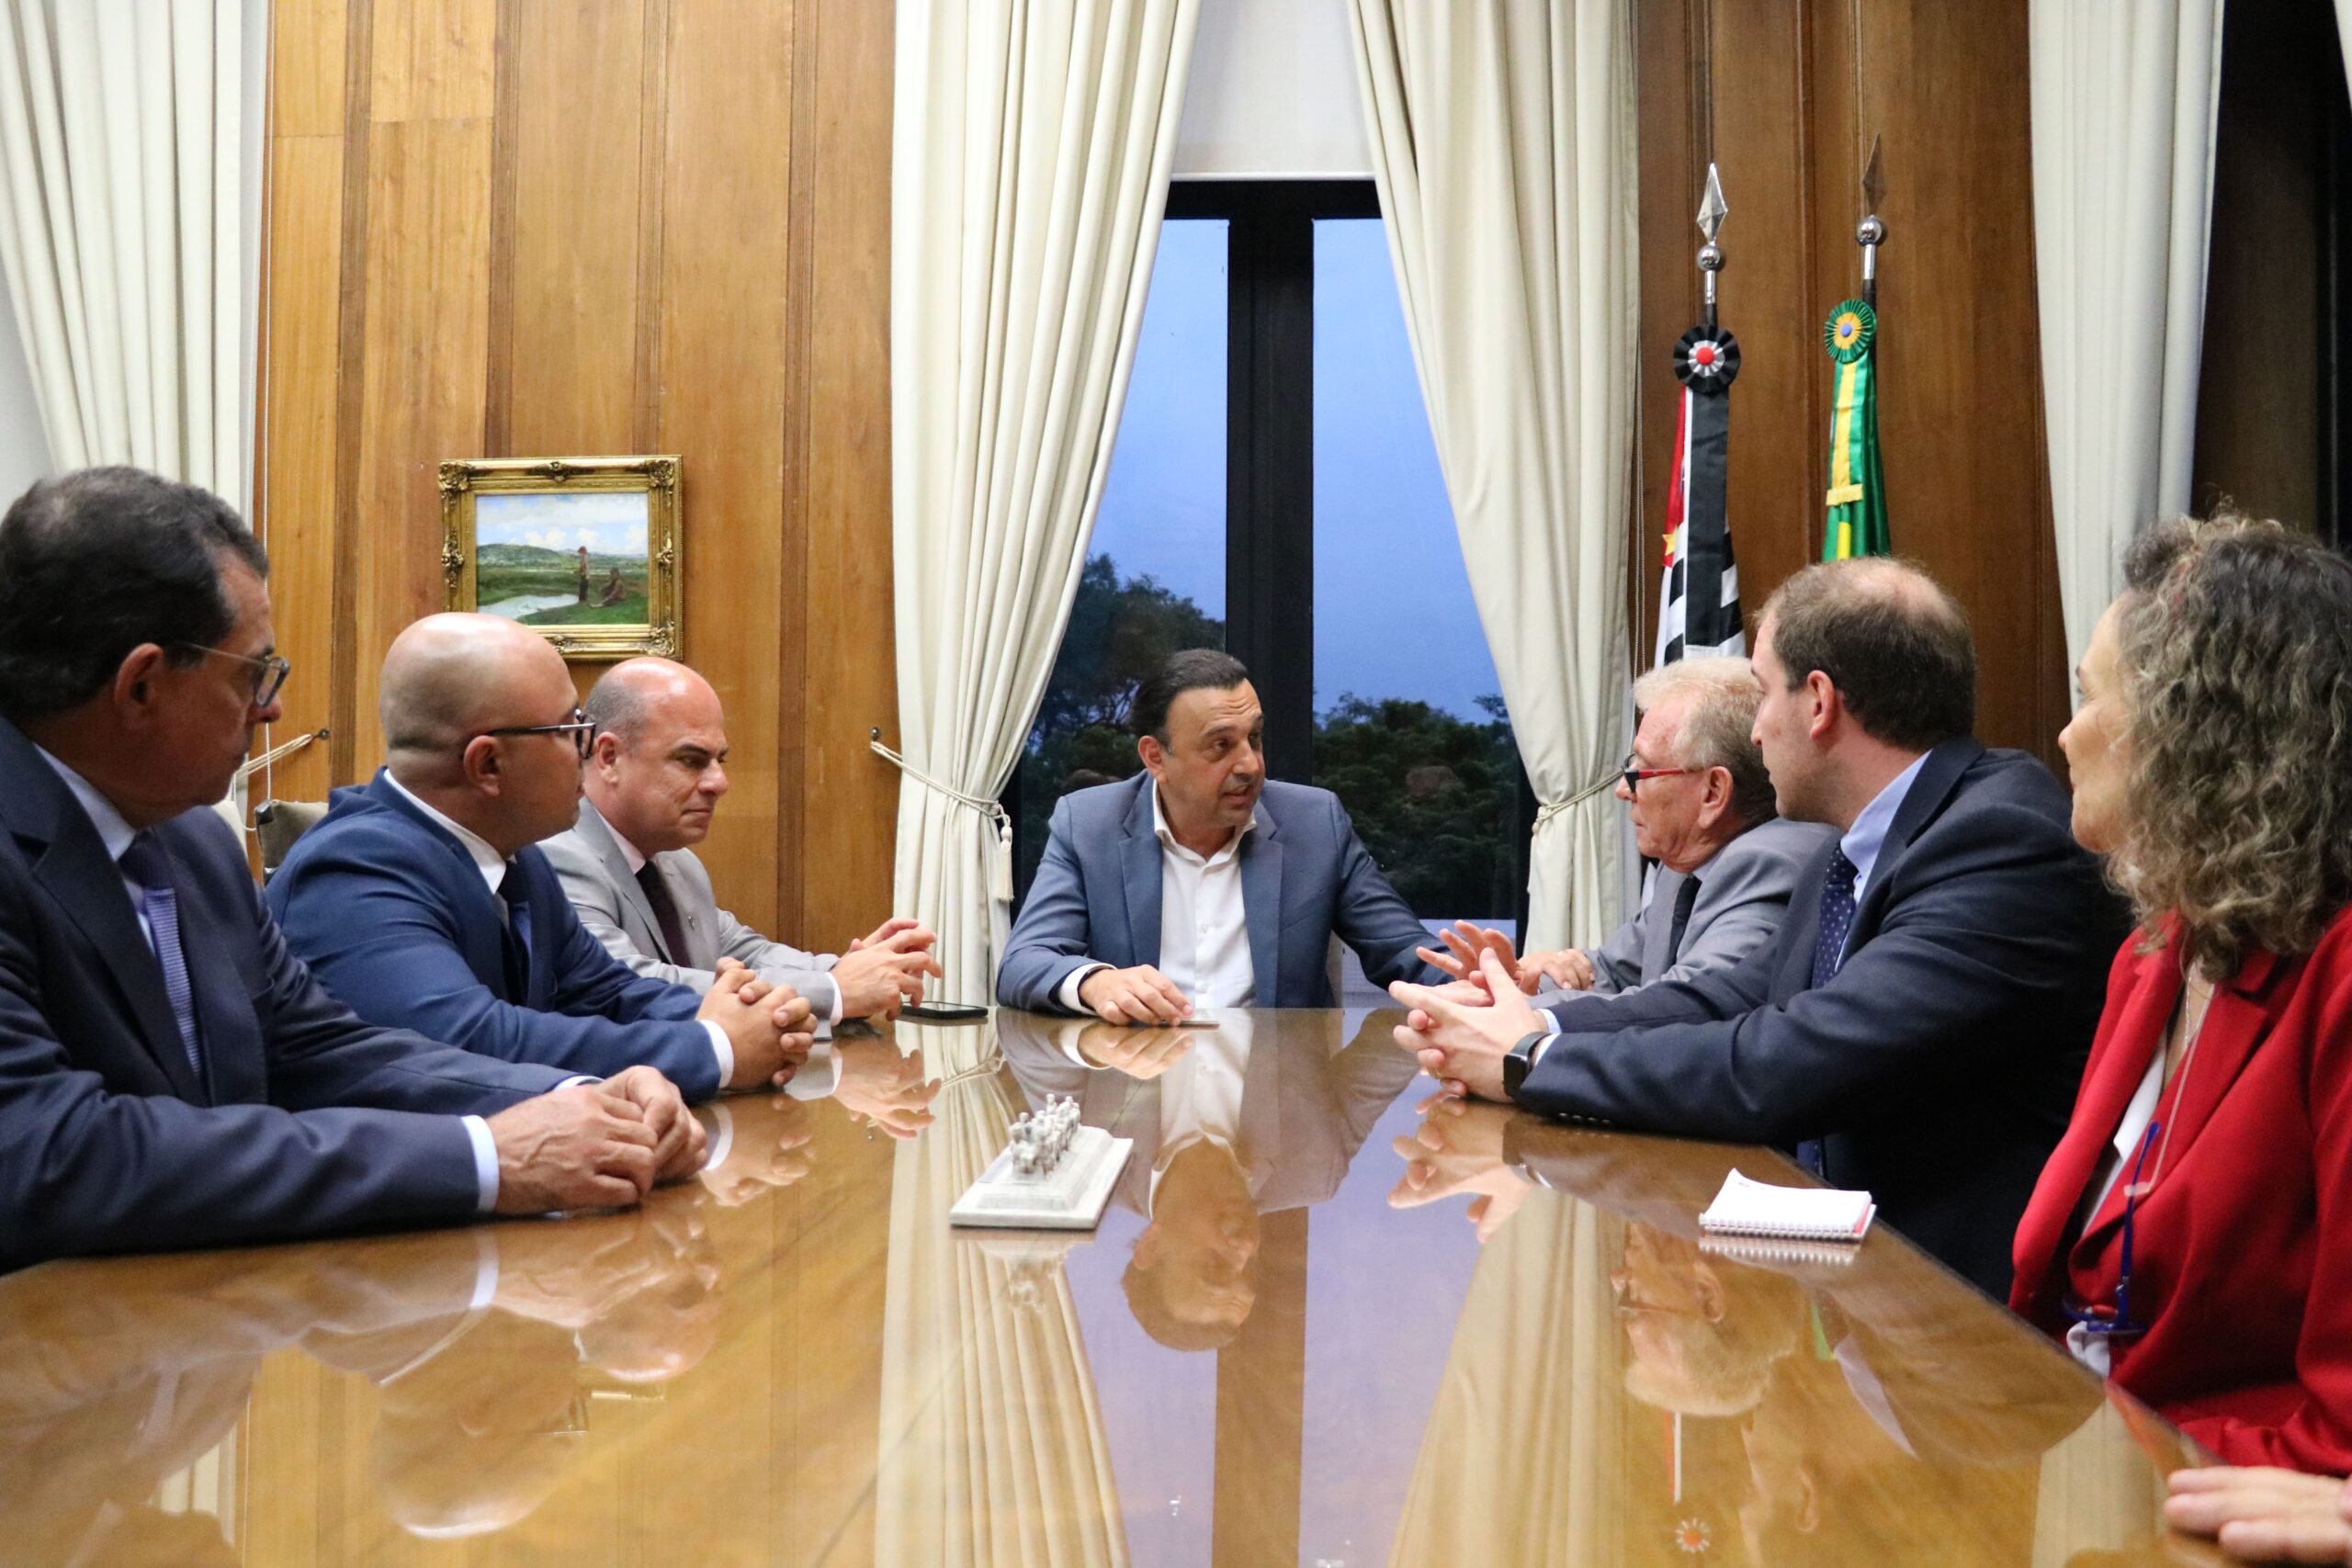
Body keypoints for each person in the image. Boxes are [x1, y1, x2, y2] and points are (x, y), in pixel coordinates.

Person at [0, 468, 703, 1272]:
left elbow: (321, 1048)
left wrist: (574, 1100)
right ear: (141, 684)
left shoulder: (195, 840)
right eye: (252, 674)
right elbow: (55, 1155)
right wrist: (483, 1157)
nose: (272, 711)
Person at [1394, 558, 2129, 1296]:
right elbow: (1721, 999)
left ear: (1817, 702)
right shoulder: (1848, 849)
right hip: (1861, 1291)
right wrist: (1520, 1025)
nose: (1752, 731)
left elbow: (1794, 1059)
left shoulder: (1999, 839)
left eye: (1762, 692)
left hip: (1967, 1323)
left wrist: (1529, 1062)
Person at [2009, 517, 2352, 1475]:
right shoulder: (2158, 950)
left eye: (2088, 698)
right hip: (2087, 1454)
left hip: (2227, 1491)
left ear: (2192, 730)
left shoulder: (2339, 973)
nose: (2066, 733)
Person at [267, 613, 813, 1104]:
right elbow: (473, 1042)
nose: (587, 751)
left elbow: (604, 991)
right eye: (570, 730)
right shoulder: (353, 871)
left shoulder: (517, 856)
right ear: (488, 765)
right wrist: (711, 1047)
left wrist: (752, 1016)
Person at [997, 648, 1442, 1018]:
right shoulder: (1089, 824)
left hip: (1277, 1101)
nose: (1249, 764)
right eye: (1221, 745)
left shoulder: (1314, 823)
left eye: (1255, 739)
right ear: (1155, 758)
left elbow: (1405, 950)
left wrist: (1484, 978)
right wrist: (1098, 981)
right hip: (1135, 1096)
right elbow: (1023, 963)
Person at [543, 657, 943, 1021]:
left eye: (720, 761)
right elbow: (628, 984)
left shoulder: (676, 860)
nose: (719, 782)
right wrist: (836, 990)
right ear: (609, 757)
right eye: (691, 760)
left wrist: (851, 968)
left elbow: (746, 952)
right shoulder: (558, 855)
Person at [1419, 656, 1832, 996]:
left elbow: (1685, 1003)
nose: (1622, 789)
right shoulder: (1683, 867)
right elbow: (1611, 971)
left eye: (1641, 772)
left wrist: (1514, 1018)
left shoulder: (1769, 862)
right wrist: (1520, 984)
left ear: (1712, 792)